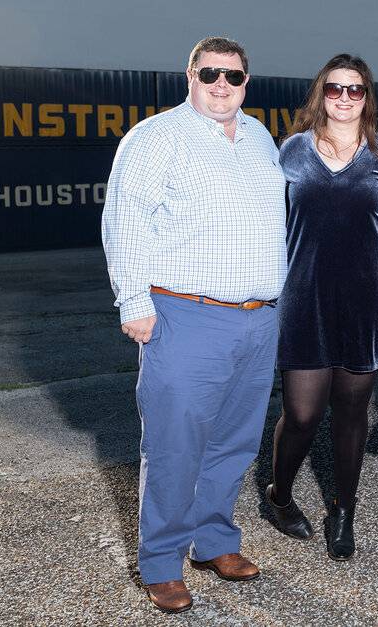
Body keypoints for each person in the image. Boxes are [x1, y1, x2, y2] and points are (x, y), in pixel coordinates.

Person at [102, 36, 286, 613]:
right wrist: (134, 302)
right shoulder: (155, 137)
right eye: (211, 74)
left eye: (233, 76)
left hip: (258, 319)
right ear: (191, 75)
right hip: (185, 314)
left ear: (246, 81)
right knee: (175, 444)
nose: (221, 85)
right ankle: (160, 562)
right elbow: (124, 221)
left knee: (234, 443)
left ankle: (213, 542)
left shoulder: (259, 137)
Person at [266, 54, 378, 562]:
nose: (345, 98)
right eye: (335, 89)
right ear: (320, 94)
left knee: (352, 412)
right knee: (302, 413)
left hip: (367, 302)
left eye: (356, 90)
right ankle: (280, 496)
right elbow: (274, 227)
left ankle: (343, 511)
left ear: (368, 97)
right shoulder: (292, 152)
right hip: (303, 300)